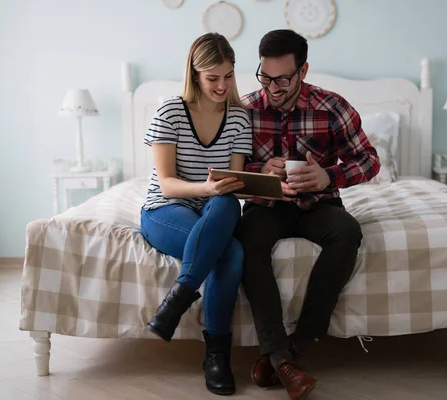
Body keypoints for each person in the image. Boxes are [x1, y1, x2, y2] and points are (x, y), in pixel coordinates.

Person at [235, 29, 381, 400]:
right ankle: (284, 357)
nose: (272, 87)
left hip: (319, 204)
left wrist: (327, 175)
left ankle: (292, 348)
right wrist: (261, 171)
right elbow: (230, 167)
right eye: (265, 77)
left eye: (282, 78)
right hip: (267, 205)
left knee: (348, 232)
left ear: (303, 70)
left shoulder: (332, 107)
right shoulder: (245, 109)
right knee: (246, 239)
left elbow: (369, 160)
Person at [140, 32, 252, 396]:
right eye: (213, 78)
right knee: (230, 251)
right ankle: (217, 354)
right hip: (165, 209)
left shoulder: (238, 118)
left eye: (229, 76)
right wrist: (206, 188)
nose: (222, 85)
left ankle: (177, 301)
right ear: (195, 74)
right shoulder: (169, 111)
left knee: (225, 202)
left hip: (212, 207)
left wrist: (223, 189)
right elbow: (168, 184)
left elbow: (232, 183)